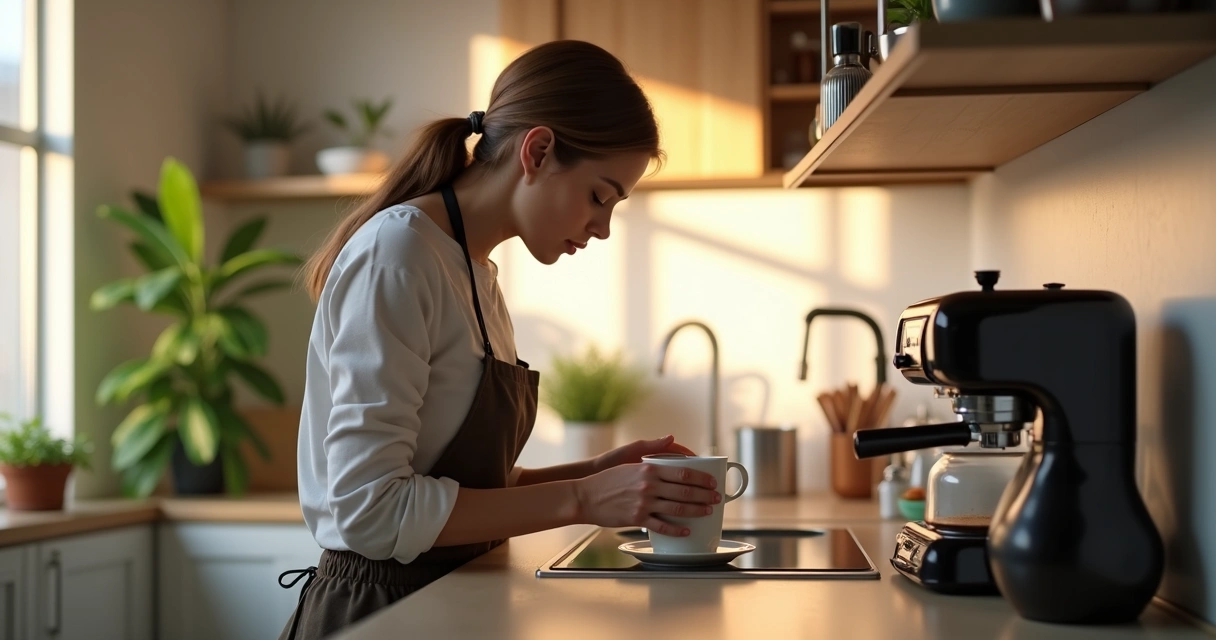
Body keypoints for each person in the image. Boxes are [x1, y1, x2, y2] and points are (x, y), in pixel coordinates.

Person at [277, 40, 722, 640]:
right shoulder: (399, 255)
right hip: (382, 614)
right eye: (599, 196)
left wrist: (593, 472)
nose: (603, 228)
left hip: (452, 603)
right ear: (537, 151)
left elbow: (455, 490)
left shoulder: (475, 271)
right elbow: (371, 509)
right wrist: (583, 499)